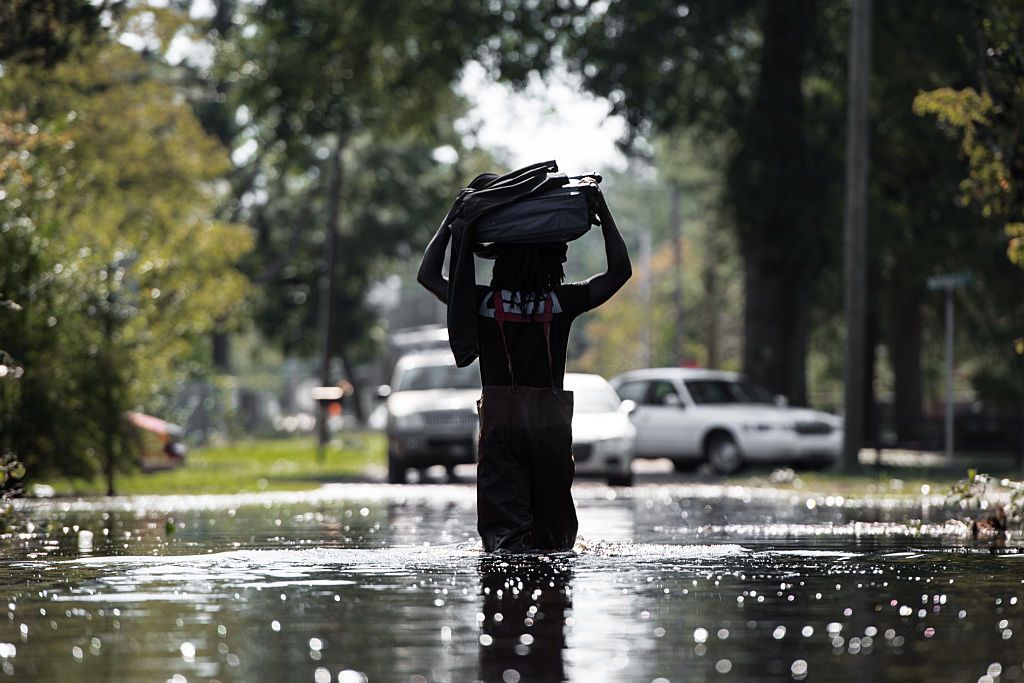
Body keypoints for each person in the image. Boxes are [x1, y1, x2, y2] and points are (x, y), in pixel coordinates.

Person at [417, 177, 631, 552]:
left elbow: (428, 275)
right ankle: (550, 605)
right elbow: (619, 272)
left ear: (501, 260)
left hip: (500, 430)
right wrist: (604, 213)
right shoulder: (561, 302)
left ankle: (505, 601)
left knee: (504, 542)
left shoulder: (481, 303)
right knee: (555, 540)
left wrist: (453, 221)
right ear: (551, 260)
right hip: (549, 430)